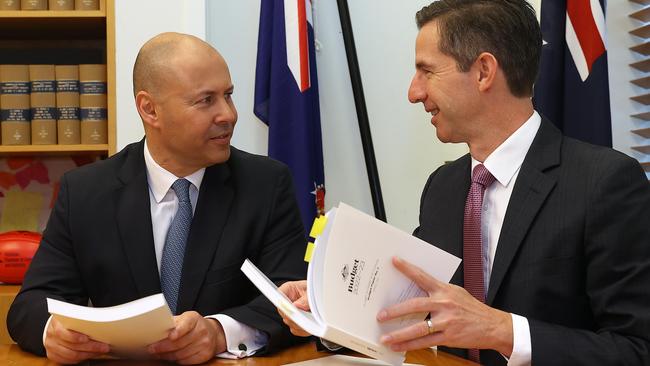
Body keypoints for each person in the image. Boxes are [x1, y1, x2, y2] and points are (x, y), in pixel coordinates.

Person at [278, 1, 650, 365]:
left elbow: (637, 348)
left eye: (427, 71)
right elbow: (415, 308)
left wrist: (502, 330)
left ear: (484, 71)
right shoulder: (443, 186)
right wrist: (328, 304)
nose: (414, 92)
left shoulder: (603, 182)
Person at [7, 32, 308, 364]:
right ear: (149, 109)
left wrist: (218, 332)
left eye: (228, 95)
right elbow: (30, 305)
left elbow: (292, 298)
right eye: (206, 100)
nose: (228, 114)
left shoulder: (265, 184)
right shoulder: (85, 192)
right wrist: (54, 332)